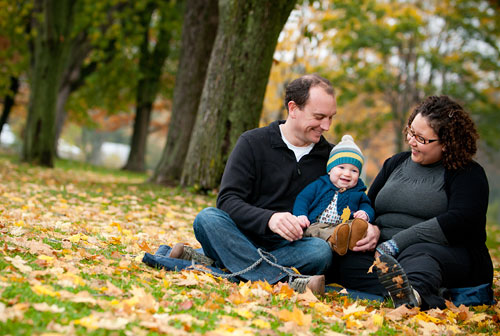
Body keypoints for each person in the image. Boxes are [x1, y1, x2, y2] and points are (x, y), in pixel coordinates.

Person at [170, 74, 368, 294]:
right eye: (320, 117)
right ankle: (286, 280)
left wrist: (370, 223)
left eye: (331, 117)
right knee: (207, 218)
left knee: (320, 252)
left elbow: (357, 197)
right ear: (293, 108)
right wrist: (270, 219)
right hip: (242, 235)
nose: (327, 126)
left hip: (293, 246)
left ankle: (221, 264)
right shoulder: (253, 142)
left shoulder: (333, 160)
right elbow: (227, 201)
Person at [329, 95, 494, 309]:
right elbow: (368, 203)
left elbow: (461, 221)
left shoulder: (467, 174)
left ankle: (415, 294)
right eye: (410, 131)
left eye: (421, 139)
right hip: (383, 253)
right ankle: (402, 293)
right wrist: (372, 228)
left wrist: (397, 243)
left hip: (438, 252)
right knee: (347, 259)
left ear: (446, 143)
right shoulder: (396, 163)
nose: (411, 141)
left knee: (421, 259)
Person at [293, 134, 374, 256]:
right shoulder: (320, 184)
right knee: (316, 231)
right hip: (317, 225)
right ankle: (336, 240)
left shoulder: (358, 192)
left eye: (354, 171)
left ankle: (351, 240)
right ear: (330, 169)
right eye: (341, 167)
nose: (347, 174)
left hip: (342, 226)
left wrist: (365, 214)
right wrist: (301, 215)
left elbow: (367, 205)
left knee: (353, 226)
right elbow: (303, 199)